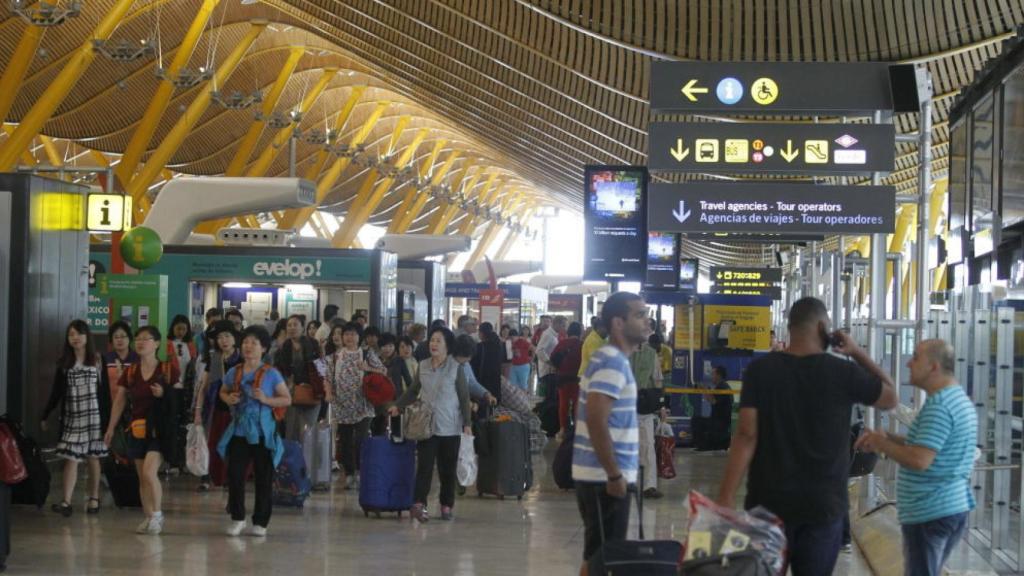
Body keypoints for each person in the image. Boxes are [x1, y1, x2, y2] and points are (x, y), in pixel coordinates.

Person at [716, 297, 898, 576]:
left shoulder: (761, 371)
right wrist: (856, 352)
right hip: (822, 507)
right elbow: (891, 397)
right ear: (823, 328)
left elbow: (746, 434)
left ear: (790, 327)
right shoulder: (843, 372)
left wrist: (726, 495)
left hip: (768, 504)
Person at [854, 340, 976, 576]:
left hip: (931, 511)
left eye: (916, 357)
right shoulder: (954, 399)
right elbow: (926, 446)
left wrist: (881, 444)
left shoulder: (940, 406)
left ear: (934, 366)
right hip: (945, 507)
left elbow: (920, 460)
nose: (909, 363)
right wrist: (888, 437)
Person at [572, 292, 648, 576]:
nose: (647, 321)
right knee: (605, 561)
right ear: (618, 323)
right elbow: (595, 418)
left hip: (599, 475)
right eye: (639, 315)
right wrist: (614, 474)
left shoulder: (609, 358)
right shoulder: (612, 362)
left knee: (597, 557)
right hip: (603, 478)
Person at [104, 326, 181, 535]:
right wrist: (110, 428)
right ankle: (148, 516)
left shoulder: (167, 370)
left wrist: (164, 393)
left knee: (149, 472)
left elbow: (179, 400)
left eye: (145, 339)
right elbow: (120, 400)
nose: (140, 342)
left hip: (159, 430)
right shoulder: (131, 372)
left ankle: (157, 515)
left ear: (156, 344)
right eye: (137, 339)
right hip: (137, 429)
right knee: (142, 477)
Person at [389, 327, 470, 523]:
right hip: (426, 426)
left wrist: (467, 423)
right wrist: (398, 406)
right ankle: (419, 504)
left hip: (450, 426)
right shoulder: (423, 365)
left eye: (438, 341)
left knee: (447, 469)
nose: (433, 344)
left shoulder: (456, 368)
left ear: (447, 346)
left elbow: (464, 397)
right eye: (432, 340)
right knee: (424, 467)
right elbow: (413, 391)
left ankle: (446, 505)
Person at [219, 326, 291, 537]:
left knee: (263, 477)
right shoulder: (234, 372)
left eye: (254, 343)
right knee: (235, 475)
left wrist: (266, 399)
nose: (248, 346)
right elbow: (223, 392)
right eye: (245, 342)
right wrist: (229, 398)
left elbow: (286, 399)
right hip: (239, 431)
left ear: (264, 348)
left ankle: (261, 521)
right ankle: (237, 518)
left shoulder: (271, 373)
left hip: (263, 433)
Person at [40, 320, 109, 517]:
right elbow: (56, 392)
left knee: (93, 457)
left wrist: (109, 422)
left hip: (94, 418)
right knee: (71, 458)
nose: (75, 338)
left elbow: (105, 394)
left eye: (79, 333)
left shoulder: (98, 360)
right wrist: (46, 414)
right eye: (71, 334)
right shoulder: (64, 363)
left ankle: (94, 498)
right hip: (73, 417)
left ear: (87, 336)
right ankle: (66, 501)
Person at [325, 322, 385, 489]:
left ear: (359, 337)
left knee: (361, 439)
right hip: (342, 405)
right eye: (346, 334)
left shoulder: (366, 353)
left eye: (353, 334)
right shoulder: (334, 356)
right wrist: (328, 393)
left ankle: (360, 471)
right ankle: (350, 473)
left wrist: (367, 368)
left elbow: (383, 371)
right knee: (344, 441)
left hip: (363, 405)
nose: (349, 337)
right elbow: (328, 378)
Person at [192, 320, 242, 491]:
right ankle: (208, 477)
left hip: (237, 412)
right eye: (220, 337)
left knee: (233, 446)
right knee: (212, 445)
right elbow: (203, 388)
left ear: (234, 338)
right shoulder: (214, 359)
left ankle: (230, 478)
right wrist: (198, 412)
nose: (223, 340)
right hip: (215, 410)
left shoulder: (242, 359)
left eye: (227, 336)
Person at [273, 315, 322, 442]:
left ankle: (307, 454)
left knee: (307, 431)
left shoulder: (312, 344)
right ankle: (292, 454)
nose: (292, 328)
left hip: (311, 391)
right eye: (289, 325)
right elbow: (279, 370)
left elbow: (321, 368)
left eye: (295, 325)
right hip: (292, 393)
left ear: (303, 327)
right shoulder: (284, 347)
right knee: (291, 430)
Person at [631, 328, 663, 499]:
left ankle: (649, 486)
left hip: (644, 407)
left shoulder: (651, 354)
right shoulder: (618, 351)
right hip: (623, 407)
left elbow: (657, 380)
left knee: (648, 446)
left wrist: (660, 405)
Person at [550, 321, 583, 440]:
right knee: (577, 404)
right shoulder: (582, 344)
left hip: (563, 378)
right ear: (579, 332)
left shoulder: (562, 343)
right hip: (577, 378)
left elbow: (552, 358)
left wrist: (559, 367)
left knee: (563, 404)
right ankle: (577, 430)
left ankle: (563, 430)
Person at [696, 366, 733, 452]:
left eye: (713, 374)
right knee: (698, 419)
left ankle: (705, 446)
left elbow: (713, 401)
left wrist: (704, 389)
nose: (711, 376)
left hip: (720, 422)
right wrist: (705, 390)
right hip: (718, 420)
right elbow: (711, 399)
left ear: (718, 375)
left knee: (697, 421)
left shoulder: (722, 387)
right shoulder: (722, 386)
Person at [103, 321, 140, 398]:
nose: (119, 340)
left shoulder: (138, 358)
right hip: (110, 401)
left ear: (129, 338)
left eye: (123, 336)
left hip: (134, 402)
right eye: (116, 337)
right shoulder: (105, 359)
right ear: (111, 340)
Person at [469, 322, 504, 403]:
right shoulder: (498, 344)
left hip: (482, 380)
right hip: (495, 379)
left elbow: (473, 363)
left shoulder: (480, 347)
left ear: (481, 333)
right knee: (493, 402)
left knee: (483, 403)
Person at [536, 315, 568, 396]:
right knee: (550, 398)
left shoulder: (554, 335)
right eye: (563, 325)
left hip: (551, 371)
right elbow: (539, 351)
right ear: (556, 324)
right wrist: (551, 362)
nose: (564, 328)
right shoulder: (548, 334)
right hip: (547, 372)